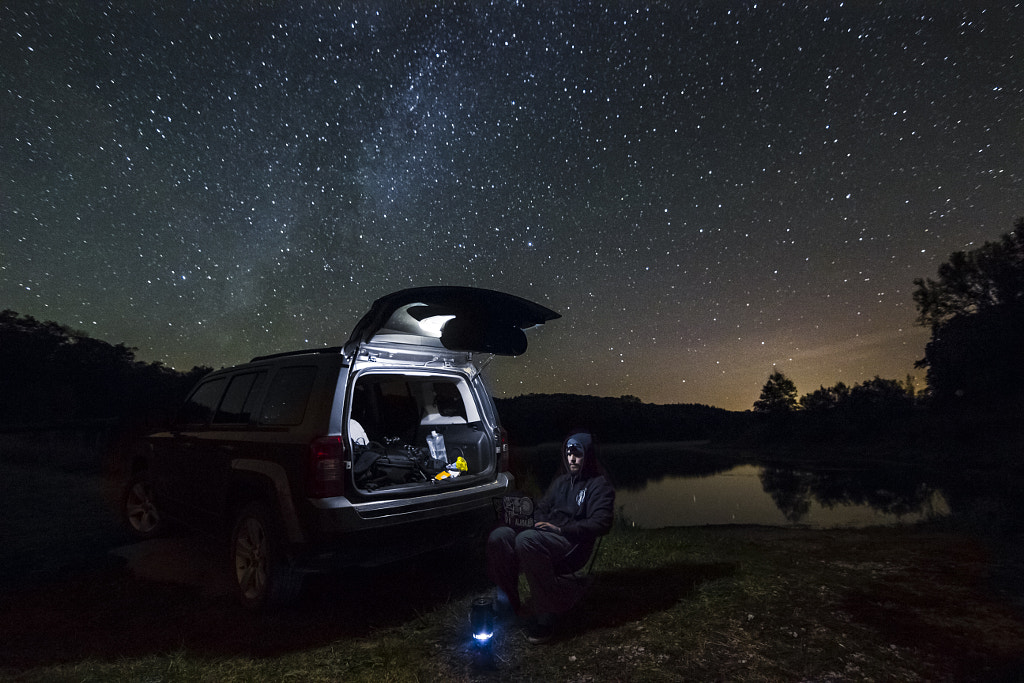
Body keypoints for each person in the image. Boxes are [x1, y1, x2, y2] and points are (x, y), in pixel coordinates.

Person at [486, 431, 615, 643]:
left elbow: (601, 523)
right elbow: (544, 508)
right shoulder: (561, 482)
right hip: (544, 535)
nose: (572, 458)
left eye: (578, 454)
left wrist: (561, 529)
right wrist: (528, 518)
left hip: (572, 543)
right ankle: (507, 605)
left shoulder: (599, 486)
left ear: (588, 455)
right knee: (500, 535)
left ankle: (546, 617)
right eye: (568, 453)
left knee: (526, 540)